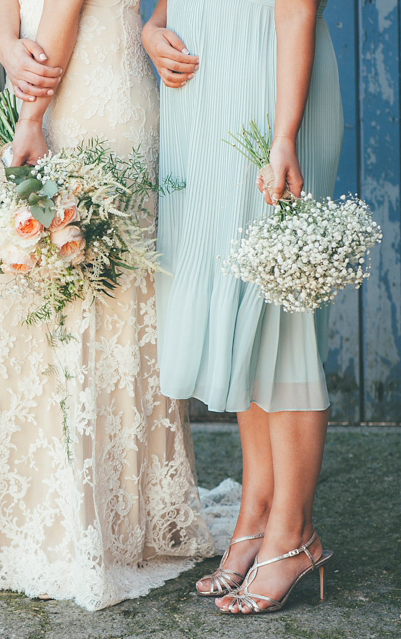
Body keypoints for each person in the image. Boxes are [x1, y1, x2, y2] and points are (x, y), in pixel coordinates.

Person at [0, 0, 217, 612]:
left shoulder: (38, 111)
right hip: (50, 79)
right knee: (56, 300)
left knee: (76, 306)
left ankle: (79, 528)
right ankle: (89, 515)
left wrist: (30, 112)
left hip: (85, 99)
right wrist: (6, 45)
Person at [144, 0, 342, 614]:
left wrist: (283, 136)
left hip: (269, 98)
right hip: (203, 113)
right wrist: (153, 31)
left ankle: (294, 533)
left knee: (282, 321)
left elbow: (293, 15)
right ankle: (255, 516)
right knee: (241, 317)